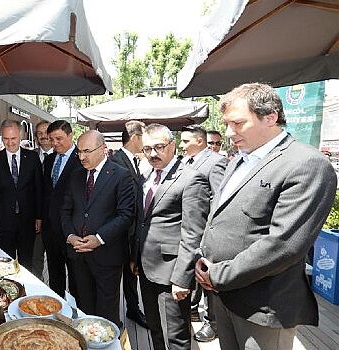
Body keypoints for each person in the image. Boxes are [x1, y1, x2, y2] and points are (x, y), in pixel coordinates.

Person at [195, 83, 337, 350]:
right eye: (227, 124)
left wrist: (219, 275)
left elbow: (284, 244)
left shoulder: (306, 164)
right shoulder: (240, 159)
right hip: (223, 296)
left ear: (270, 117)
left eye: (237, 123)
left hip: (263, 306)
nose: (228, 133)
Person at [132, 123, 210, 350]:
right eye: (147, 149)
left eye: (159, 147)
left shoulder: (190, 178)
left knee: (175, 337)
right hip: (146, 270)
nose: (153, 154)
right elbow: (143, 221)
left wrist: (182, 279)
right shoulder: (146, 176)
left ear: (172, 145)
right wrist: (135, 257)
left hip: (172, 273)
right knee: (155, 329)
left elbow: (193, 233)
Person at [61, 130, 134, 327]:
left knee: (106, 313)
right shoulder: (76, 176)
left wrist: (99, 238)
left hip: (107, 257)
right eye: (78, 152)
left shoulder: (121, 176)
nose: (82, 157)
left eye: (87, 151)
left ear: (103, 150)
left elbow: (126, 215)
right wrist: (70, 236)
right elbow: (66, 211)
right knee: (85, 308)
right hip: (78, 255)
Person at [179, 124, 227, 342]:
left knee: (208, 281)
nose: (181, 145)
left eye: (185, 141)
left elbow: (219, 202)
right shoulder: (188, 161)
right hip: (190, 230)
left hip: (207, 234)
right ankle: (193, 311)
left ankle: (212, 323)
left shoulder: (215, 163)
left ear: (199, 141)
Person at [0, 120, 43, 271]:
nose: (10, 143)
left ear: (21, 136)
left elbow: (38, 189)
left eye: (13, 138)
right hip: (4, 221)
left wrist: (39, 216)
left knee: (26, 262)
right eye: (6, 139)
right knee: (6, 262)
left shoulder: (32, 158)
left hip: (28, 220)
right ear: (1, 138)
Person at [110, 120, 148, 328]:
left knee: (130, 274)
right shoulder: (116, 161)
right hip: (120, 232)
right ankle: (113, 318)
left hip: (132, 231)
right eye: (144, 137)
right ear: (135, 137)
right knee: (116, 278)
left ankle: (133, 309)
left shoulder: (134, 160)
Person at [42, 120, 83, 298]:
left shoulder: (81, 159)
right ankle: (55, 307)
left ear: (70, 135)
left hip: (72, 230)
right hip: (50, 229)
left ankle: (76, 312)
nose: (55, 143)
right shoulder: (49, 159)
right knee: (54, 273)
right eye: (51, 139)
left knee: (76, 277)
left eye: (59, 138)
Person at [33, 120, 52, 280]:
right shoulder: (30, 157)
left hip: (56, 220)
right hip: (35, 219)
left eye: (46, 132)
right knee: (35, 260)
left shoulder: (63, 157)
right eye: (39, 133)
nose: (43, 136)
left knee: (56, 263)